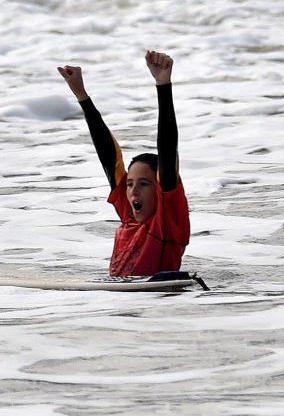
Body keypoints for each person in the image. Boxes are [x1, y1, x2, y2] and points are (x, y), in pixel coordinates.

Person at [58, 50, 190, 277]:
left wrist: (163, 86)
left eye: (144, 184)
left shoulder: (166, 219)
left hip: (159, 300)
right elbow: (109, 157)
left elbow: (167, 150)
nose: (133, 191)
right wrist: (81, 95)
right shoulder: (129, 215)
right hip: (124, 302)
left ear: (160, 190)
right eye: (129, 184)